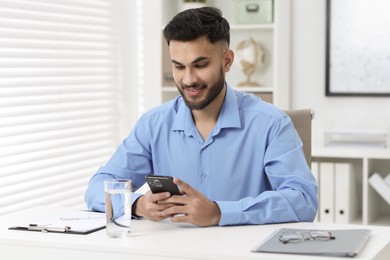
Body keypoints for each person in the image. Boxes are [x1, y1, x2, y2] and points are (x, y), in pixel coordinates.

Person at [85, 7, 318, 227]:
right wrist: (136, 205)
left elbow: (304, 200)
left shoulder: (271, 124)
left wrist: (219, 212)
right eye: (179, 66)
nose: (188, 79)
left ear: (226, 61)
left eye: (200, 65)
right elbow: (98, 187)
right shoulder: (153, 125)